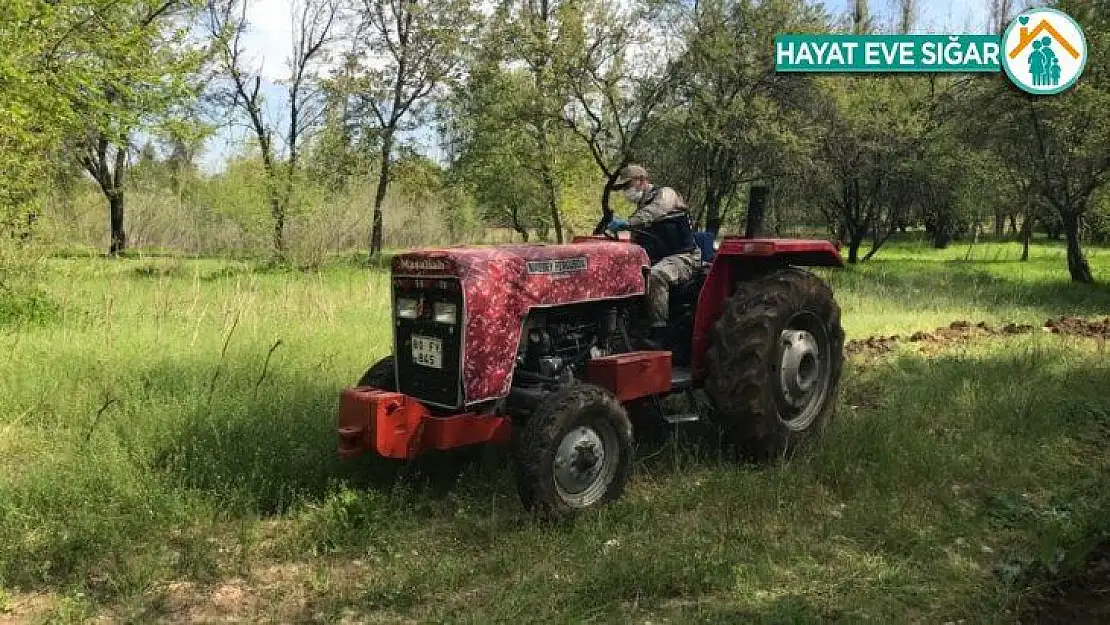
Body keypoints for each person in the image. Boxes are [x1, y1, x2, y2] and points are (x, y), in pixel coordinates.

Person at [606, 164, 701, 349]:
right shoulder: (639, 211)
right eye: (624, 188)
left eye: (628, 185)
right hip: (658, 259)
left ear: (642, 180)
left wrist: (627, 223)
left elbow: (656, 210)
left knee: (656, 275)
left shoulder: (666, 194)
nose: (626, 191)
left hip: (684, 257)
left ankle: (659, 335)